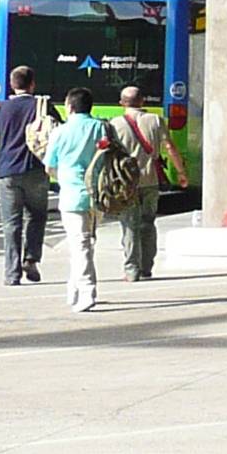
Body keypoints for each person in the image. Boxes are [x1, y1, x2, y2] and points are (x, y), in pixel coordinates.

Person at [0, 64, 50, 287]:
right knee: (37, 216)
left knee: (11, 224)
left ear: (11, 84)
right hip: (37, 169)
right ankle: (31, 258)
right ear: (32, 84)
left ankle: (12, 274)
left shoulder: (1, 109)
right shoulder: (42, 106)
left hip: (7, 172)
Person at [41, 87, 110, 312]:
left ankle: (86, 290)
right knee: (85, 243)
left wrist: (62, 176)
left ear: (69, 107)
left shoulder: (60, 132)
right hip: (99, 195)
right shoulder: (101, 127)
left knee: (80, 245)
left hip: (72, 195)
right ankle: (73, 286)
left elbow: (49, 166)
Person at [111, 83, 184, 283]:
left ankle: (131, 270)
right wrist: (180, 172)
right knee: (148, 223)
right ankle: (147, 267)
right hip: (151, 180)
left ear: (121, 103)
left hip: (127, 183)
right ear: (142, 101)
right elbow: (169, 146)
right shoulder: (155, 120)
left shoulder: (114, 124)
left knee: (129, 225)